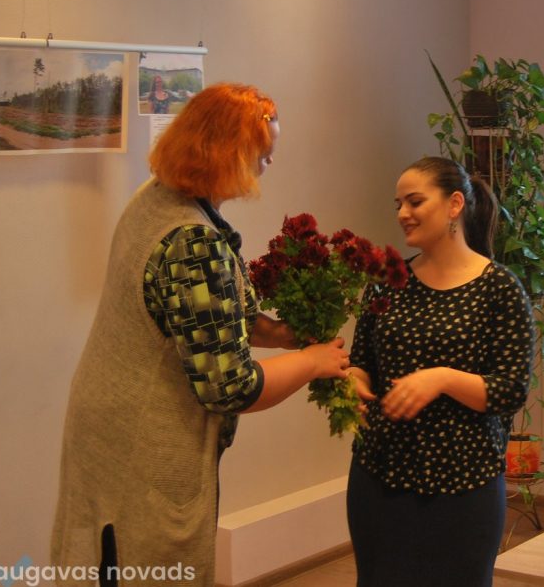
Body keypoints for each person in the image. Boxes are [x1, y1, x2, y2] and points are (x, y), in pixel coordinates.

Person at [50, 83, 349, 587]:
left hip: (103, 425)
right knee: (147, 562)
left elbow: (204, 318)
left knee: (104, 559)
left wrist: (282, 335)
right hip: (145, 441)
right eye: (263, 153)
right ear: (229, 153)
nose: (268, 164)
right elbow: (229, 387)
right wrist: (312, 362)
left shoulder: (156, 199)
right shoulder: (192, 241)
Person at [345, 156, 535, 587]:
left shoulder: (499, 288)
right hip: (379, 475)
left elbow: (510, 390)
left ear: (454, 204)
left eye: (414, 201)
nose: (402, 213)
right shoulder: (387, 281)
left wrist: (442, 378)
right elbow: (362, 362)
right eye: (398, 204)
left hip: (464, 485)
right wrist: (354, 383)